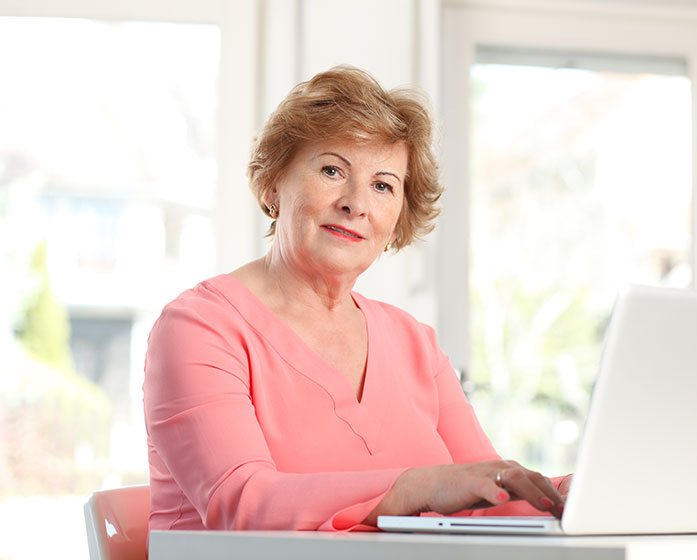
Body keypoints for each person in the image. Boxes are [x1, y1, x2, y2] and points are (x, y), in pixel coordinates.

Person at [143, 65, 571, 532]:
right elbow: (241, 503)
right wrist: (412, 488)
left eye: (383, 185)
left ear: (397, 220)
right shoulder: (200, 328)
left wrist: (577, 490)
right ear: (272, 184)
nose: (356, 202)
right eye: (332, 170)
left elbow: (486, 491)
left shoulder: (413, 342)